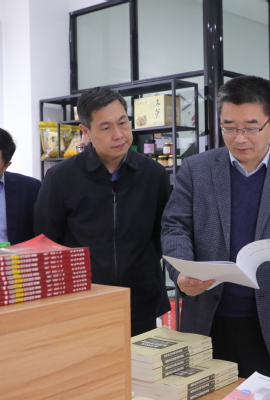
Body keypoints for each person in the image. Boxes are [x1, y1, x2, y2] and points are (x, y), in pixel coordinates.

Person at [161, 75, 270, 380]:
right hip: (207, 319)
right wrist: (181, 273)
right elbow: (175, 226)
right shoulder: (196, 169)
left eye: (251, 128)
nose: (239, 139)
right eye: (229, 127)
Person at [34, 87, 171, 336]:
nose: (118, 135)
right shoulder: (61, 177)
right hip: (82, 301)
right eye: (106, 128)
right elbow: (47, 242)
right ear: (85, 132)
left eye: (123, 123)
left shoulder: (154, 174)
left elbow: (163, 234)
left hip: (140, 300)